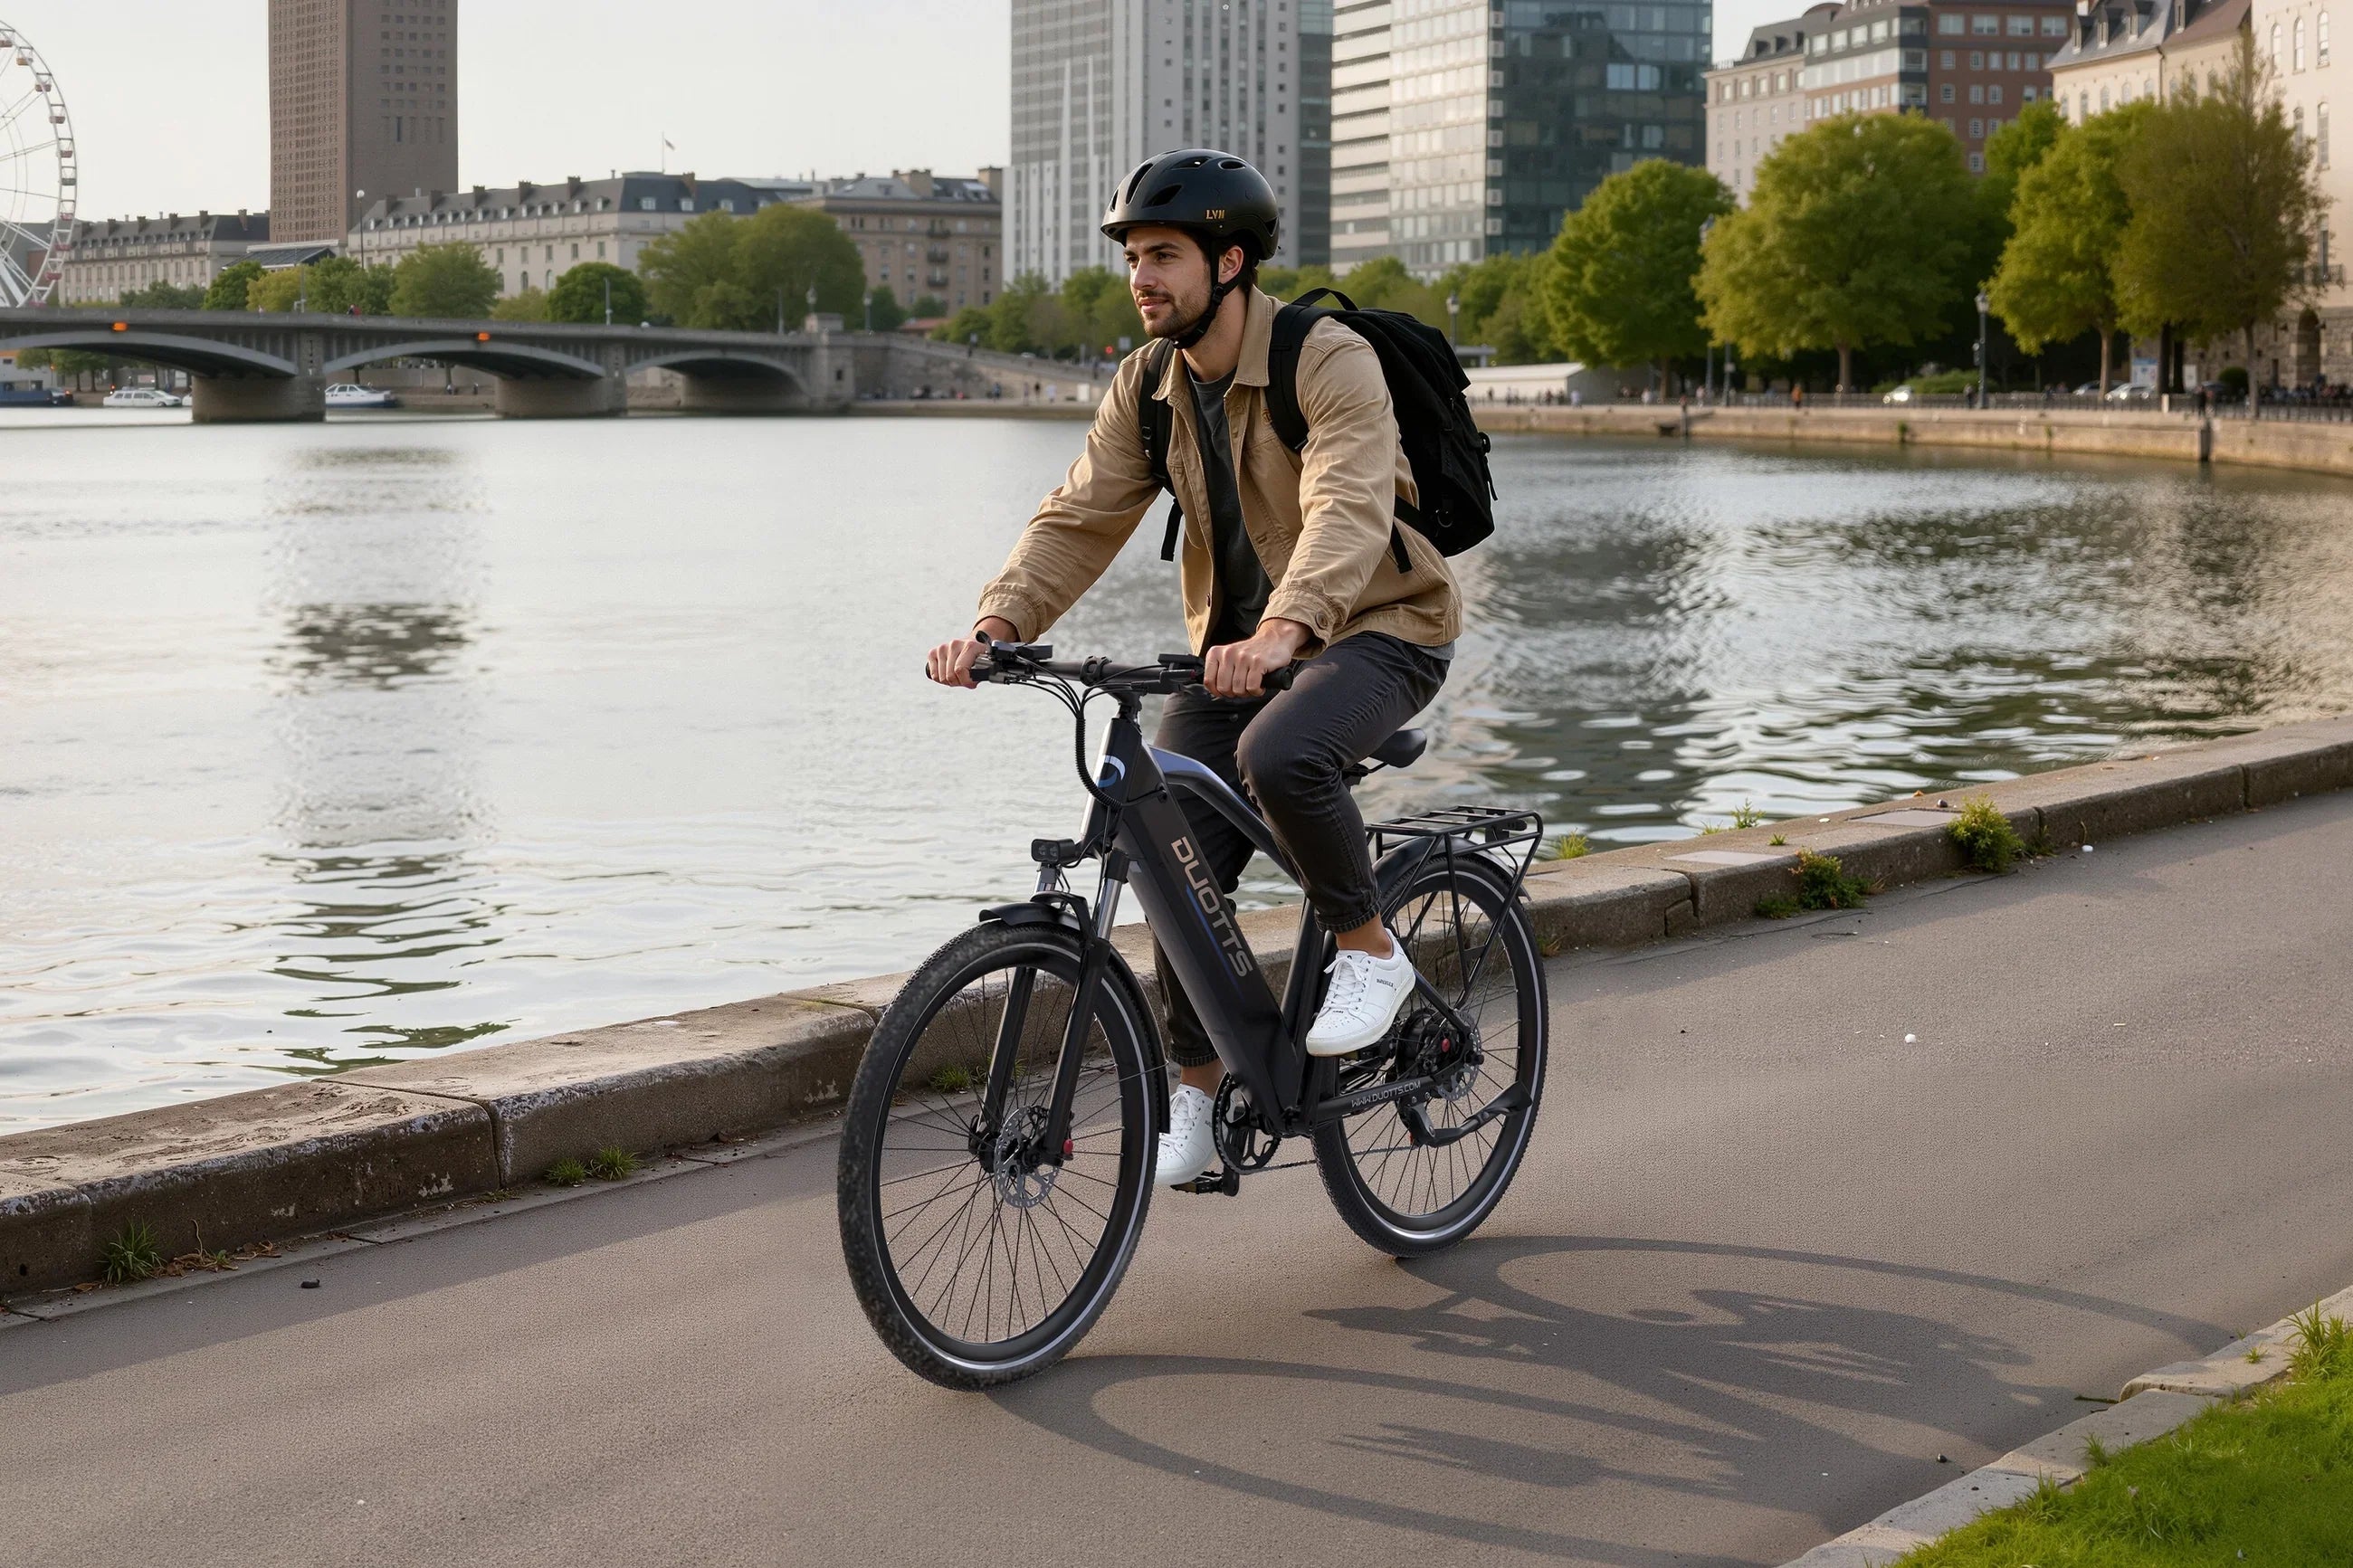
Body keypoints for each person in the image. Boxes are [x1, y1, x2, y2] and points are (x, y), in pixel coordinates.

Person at [923, 148, 1461, 1189]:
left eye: (1161, 254)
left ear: (1229, 260)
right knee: (1169, 842)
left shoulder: (1325, 357)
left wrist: (1288, 629)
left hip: (1379, 626)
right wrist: (996, 624)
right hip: (1230, 651)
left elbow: (1349, 506)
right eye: (1132, 256)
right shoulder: (1150, 386)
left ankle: (1369, 946)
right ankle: (1203, 1086)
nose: (1141, 277)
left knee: (1283, 749)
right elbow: (1078, 516)